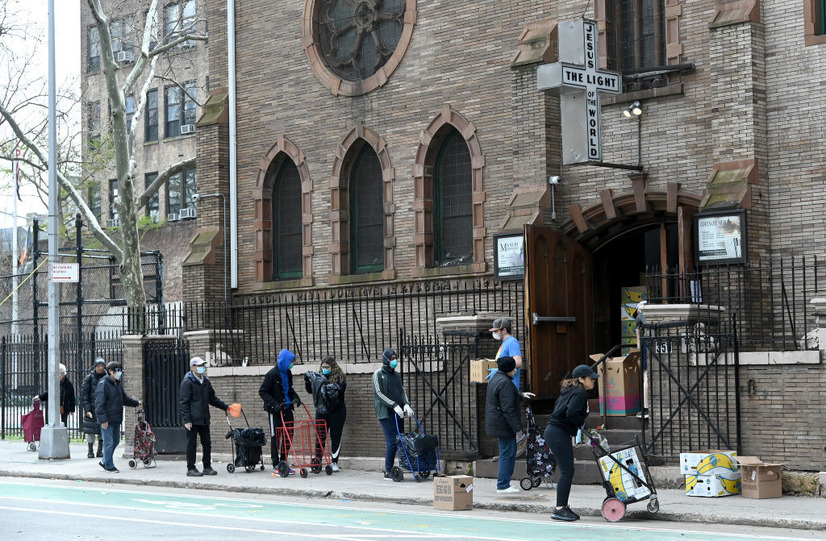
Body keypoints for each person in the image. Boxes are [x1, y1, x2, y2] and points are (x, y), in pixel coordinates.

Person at [544, 363, 599, 521]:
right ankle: (560, 508)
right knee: (567, 471)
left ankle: (563, 507)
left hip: (555, 431)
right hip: (558, 433)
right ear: (581, 379)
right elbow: (572, 413)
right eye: (591, 378)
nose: (593, 381)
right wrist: (581, 423)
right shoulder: (579, 393)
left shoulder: (569, 391)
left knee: (567, 470)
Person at [180, 357, 240, 477]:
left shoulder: (205, 381)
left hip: (204, 418)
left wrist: (225, 407)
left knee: (207, 443)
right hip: (192, 419)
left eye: (203, 365)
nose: (202, 367)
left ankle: (207, 466)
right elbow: (184, 402)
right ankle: (190, 468)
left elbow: (212, 399)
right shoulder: (187, 382)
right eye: (199, 365)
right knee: (191, 443)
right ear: (192, 367)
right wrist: (186, 419)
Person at [485, 356, 534, 494]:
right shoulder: (505, 382)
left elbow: (505, 396)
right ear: (509, 369)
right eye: (514, 368)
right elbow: (508, 408)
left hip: (498, 423)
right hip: (503, 424)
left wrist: (521, 394)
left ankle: (504, 483)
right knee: (508, 453)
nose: (515, 370)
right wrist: (517, 429)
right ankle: (503, 485)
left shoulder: (496, 378)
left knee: (508, 452)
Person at [372, 347, 414, 481]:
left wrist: (406, 403)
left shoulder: (396, 375)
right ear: (386, 360)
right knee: (392, 441)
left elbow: (401, 391)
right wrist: (394, 405)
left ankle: (403, 465)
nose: (395, 361)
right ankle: (388, 470)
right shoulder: (378, 374)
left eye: (396, 359)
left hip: (399, 412)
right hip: (386, 413)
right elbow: (378, 394)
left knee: (400, 440)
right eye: (392, 359)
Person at [259, 349, 301, 472]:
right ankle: (276, 463)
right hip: (275, 411)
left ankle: (284, 461)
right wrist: (274, 404)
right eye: (291, 362)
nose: (292, 364)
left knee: (288, 436)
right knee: (276, 437)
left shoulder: (288, 373)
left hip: (287, 408)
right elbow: (263, 391)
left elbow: (289, 389)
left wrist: (296, 398)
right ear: (285, 361)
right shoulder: (272, 374)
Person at [95, 361, 140, 473]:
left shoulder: (117, 384)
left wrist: (136, 403)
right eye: (117, 371)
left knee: (115, 441)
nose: (119, 373)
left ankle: (105, 460)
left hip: (116, 418)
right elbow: (99, 404)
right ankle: (109, 465)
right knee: (108, 442)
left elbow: (123, 398)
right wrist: (103, 419)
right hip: (107, 419)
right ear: (110, 371)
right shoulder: (103, 384)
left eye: (120, 371)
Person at [304, 356, 347, 472]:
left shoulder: (340, 378)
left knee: (335, 436)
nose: (324, 369)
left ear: (333, 367)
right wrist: (308, 381)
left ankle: (334, 462)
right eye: (323, 367)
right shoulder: (318, 377)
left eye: (327, 367)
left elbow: (338, 390)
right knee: (320, 436)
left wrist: (325, 385)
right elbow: (311, 390)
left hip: (337, 411)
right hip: (322, 411)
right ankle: (318, 460)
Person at [33, 363, 76, 427]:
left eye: (61, 373)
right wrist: (40, 397)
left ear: (64, 374)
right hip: (54, 406)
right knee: (53, 422)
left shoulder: (68, 384)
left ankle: (62, 435)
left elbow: (72, 397)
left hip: (64, 406)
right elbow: (48, 393)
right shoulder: (54, 383)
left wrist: (72, 409)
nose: (59, 375)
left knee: (64, 423)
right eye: (58, 373)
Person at [80, 358, 107, 458]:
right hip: (91, 408)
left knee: (102, 430)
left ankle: (100, 450)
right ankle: (90, 450)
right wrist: (87, 409)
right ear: (95, 367)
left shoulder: (106, 377)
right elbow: (84, 394)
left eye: (102, 366)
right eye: (98, 366)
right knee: (90, 431)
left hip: (102, 408)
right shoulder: (89, 378)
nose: (100, 368)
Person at [490, 318, 523, 390]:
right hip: (503, 385)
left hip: (510, 386)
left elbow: (518, 362)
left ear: (504, 330)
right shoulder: (505, 343)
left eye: (496, 331)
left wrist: (500, 370)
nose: (494, 333)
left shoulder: (512, 342)